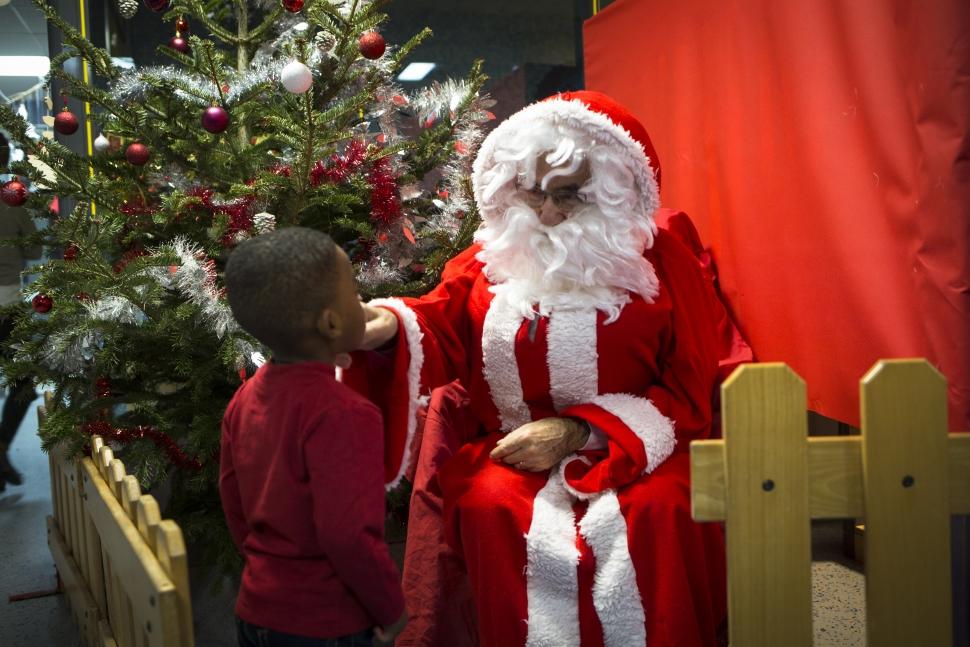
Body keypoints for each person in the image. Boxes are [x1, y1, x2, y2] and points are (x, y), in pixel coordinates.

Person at [346, 91, 746, 646]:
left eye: (570, 196)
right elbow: (439, 319)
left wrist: (583, 431)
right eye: (534, 193)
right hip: (512, 450)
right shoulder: (492, 261)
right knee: (487, 503)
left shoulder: (662, 263)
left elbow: (690, 385)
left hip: (638, 454)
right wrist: (386, 324)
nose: (548, 214)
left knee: (661, 512)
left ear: (613, 194)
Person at [220, 227, 407, 647]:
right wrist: (392, 609)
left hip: (256, 610)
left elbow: (232, 499)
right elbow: (349, 535)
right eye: (354, 293)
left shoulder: (245, 397)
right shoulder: (345, 413)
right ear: (332, 322)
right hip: (327, 624)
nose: (362, 303)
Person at [0, 133, 41, 494]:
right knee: (23, 383)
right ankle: (1, 447)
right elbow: (34, 247)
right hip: (7, 303)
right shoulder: (12, 200)